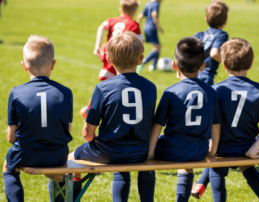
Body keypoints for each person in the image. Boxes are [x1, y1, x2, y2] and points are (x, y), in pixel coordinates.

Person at [69, 31, 157, 202]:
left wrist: (88, 132)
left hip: (109, 152)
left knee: (69, 161)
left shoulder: (103, 88)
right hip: (141, 151)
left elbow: (88, 133)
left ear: (108, 60)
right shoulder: (150, 87)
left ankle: (70, 198)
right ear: (141, 60)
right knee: (136, 163)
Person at [192, 38, 259, 202]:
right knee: (250, 171)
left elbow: (207, 123)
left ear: (223, 64)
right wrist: (254, 149)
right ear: (251, 63)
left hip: (220, 149)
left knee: (216, 172)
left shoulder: (214, 90)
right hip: (247, 147)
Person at [148, 36, 222, 202]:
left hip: (172, 148)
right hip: (199, 149)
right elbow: (216, 126)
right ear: (203, 66)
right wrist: (212, 150)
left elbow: (157, 125)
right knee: (186, 161)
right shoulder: (211, 92)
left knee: (143, 150)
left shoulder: (171, 92)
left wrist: (150, 153)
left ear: (174, 65)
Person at [3, 35, 73, 202]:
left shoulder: (16, 92)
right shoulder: (65, 92)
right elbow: (67, 130)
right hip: (57, 154)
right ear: (53, 64)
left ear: (24, 66)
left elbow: (10, 137)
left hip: (25, 153)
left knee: (8, 167)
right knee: (60, 173)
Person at [80, 0, 143, 120]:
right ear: (134, 11)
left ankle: (93, 110)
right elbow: (141, 45)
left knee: (111, 87)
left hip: (109, 56)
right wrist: (138, 69)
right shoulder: (133, 25)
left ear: (120, 9)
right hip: (124, 58)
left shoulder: (112, 20)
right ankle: (89, 110)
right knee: (110, 88)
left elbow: (101, 27)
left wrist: (97, 46)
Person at [194, 0, 229, 86]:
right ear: (225, 21)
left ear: (206, 19)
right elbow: (214, 53)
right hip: (206, 75)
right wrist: (227, 62)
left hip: (192, 73)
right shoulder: (221, 35)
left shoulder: (199, 35)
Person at [137, 0, 163, 71]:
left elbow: (140, 16)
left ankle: (153, 66)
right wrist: (157, 26)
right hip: (152, 28)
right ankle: (143, 63)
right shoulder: (156, 4)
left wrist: (138, 27)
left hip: (146, 27)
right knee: (157, 48)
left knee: (156, 47)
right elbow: (154, 14)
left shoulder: (148, 3)